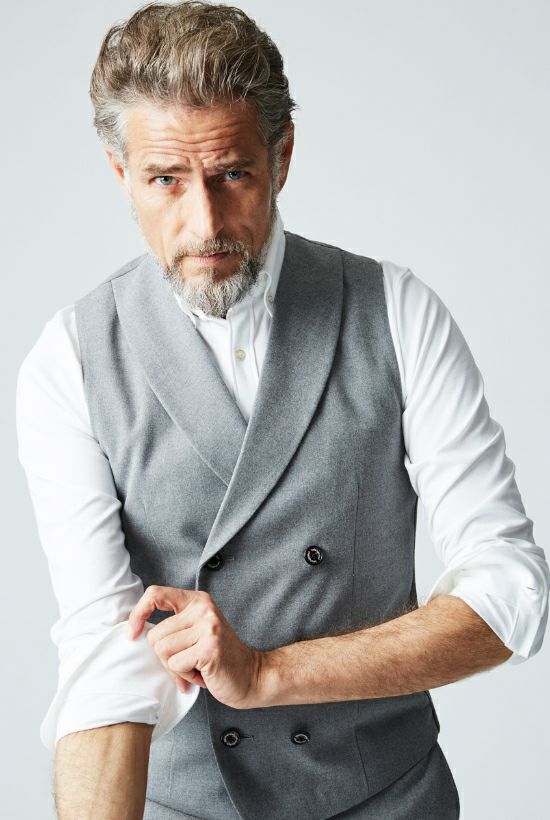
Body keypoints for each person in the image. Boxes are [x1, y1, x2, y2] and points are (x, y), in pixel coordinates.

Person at [15, 2, 549, 819]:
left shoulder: (398, 312)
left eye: (232, 173)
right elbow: (105, 654)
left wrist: (267, 673)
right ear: (121, 173)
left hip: (389, 800)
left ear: (283, 155)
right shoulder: (70, 360)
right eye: (165, 179)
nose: (204, 223)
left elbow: (511, 591)